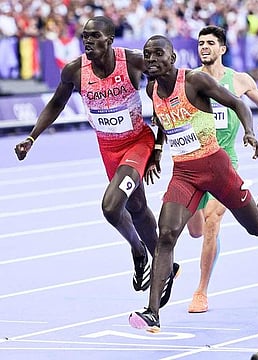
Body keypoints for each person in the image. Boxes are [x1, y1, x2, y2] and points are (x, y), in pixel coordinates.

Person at [128, 35, 258, 333]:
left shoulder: (195, 81)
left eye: (159, 54)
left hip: (215, 166)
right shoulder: (152, 88)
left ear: (173, 58)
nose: (152, 59)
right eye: (148, 55)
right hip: (183, 172)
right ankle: (152, 312)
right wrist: (157, 152)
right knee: (167, 234)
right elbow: (163, 121)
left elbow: (238, 103)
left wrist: (249, 132)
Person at [13, 16, 178, 298]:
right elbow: (56, 104)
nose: (87, 41)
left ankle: (155, 263)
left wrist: (159, 147)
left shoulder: (134, 62)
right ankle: (148, 256)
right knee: (137, 208)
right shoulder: (75, 70)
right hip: (108, 148)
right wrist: (32, 137)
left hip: (138, 143)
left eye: (94, 37)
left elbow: (164, 93)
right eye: (85, 36)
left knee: (112, 206)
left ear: (110, 40)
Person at [184, 25, 258, 313]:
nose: (204, 47)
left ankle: (201, 291)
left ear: (222, 48)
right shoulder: (190, 80)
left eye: (210, 43)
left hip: (226, 161)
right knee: (195, 230)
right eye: (200, 43)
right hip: (196, 161)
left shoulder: (238, 80)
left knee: (212, 220)